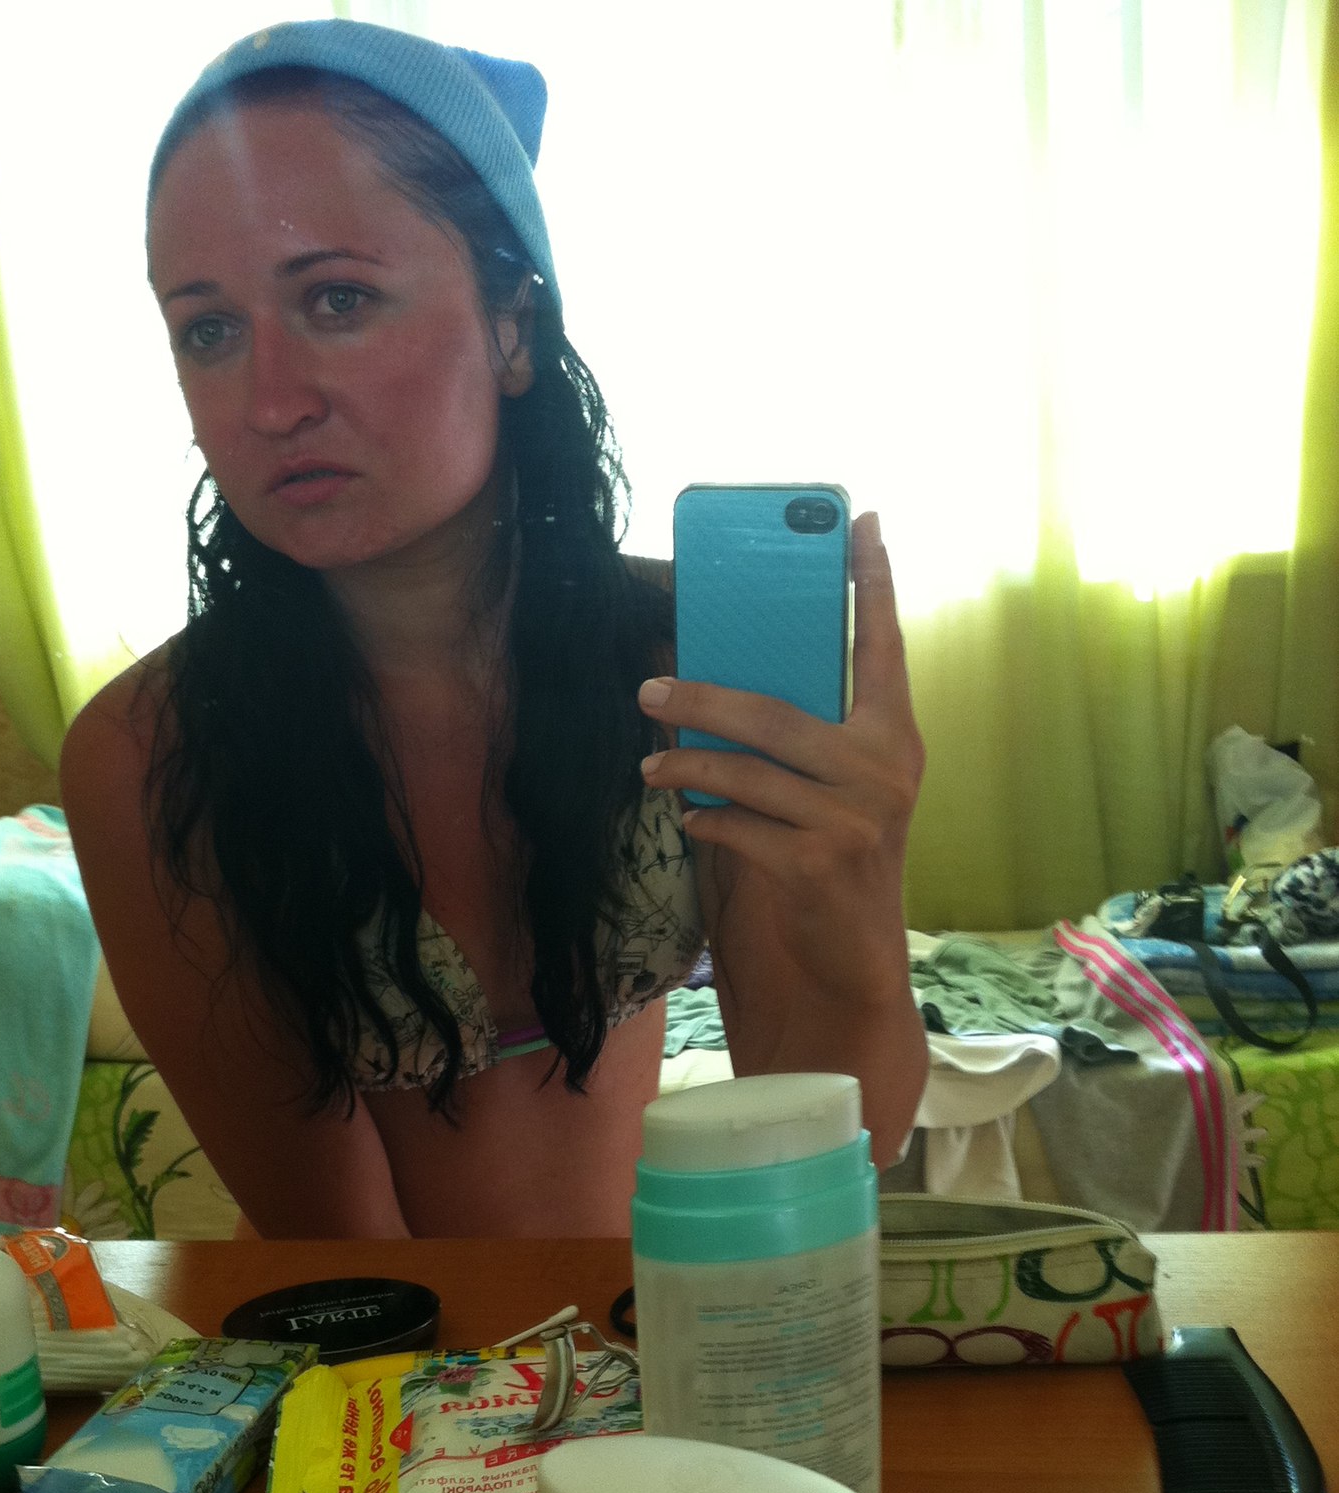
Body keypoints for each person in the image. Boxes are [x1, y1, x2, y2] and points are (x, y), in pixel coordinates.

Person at [60, 19, 928, 1240]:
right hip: (367, 1336)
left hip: (651, 1308)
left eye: (338, 299)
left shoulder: (685, 668)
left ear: (513, 324)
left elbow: (834, 1142)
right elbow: (336, 1244)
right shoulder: (154, 756)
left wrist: (862, 904)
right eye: (208, 328)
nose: (269, 402)